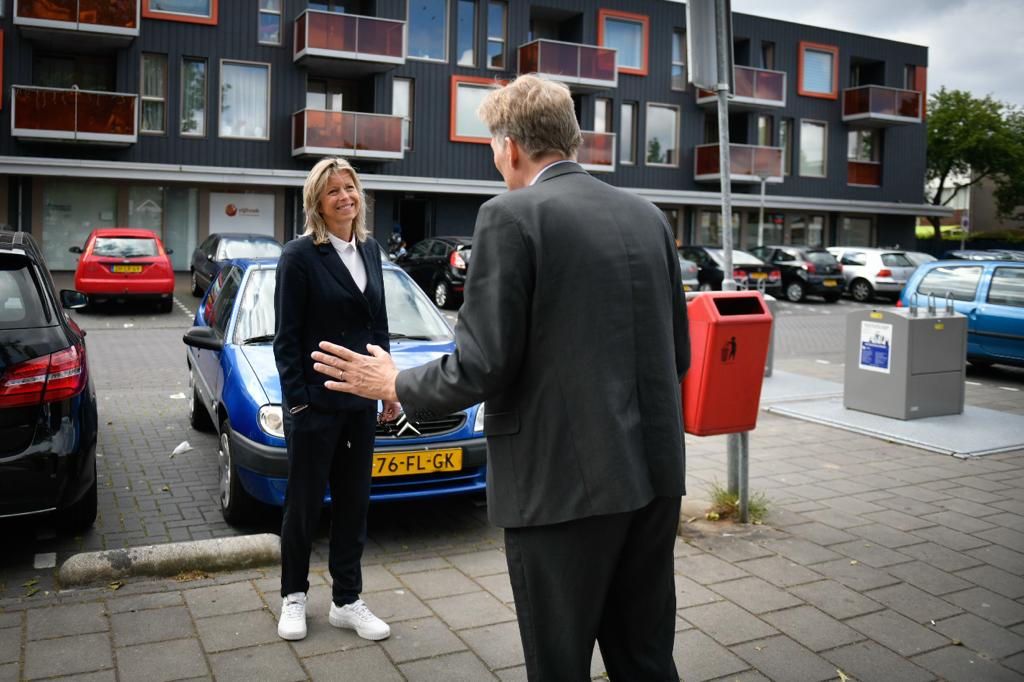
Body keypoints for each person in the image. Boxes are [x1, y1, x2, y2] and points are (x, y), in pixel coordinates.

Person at [310, 75, 689, 679]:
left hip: (562, 493)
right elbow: (677, 356)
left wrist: (393, 383)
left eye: (492, 146)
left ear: (511, 147)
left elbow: (480, 365)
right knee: (645, 658)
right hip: (654, 478)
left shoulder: (510, 217)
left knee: (558, 665)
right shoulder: (647, 217)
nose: (495, 159)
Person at [273, 156, 400, 642]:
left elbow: (378, 324)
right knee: (302, 507)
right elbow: (286, 339)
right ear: (317, 204)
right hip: (315, 405)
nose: (346, 197)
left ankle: (347, 600)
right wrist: (299, 404)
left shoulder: (369, 251)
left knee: (354, 504)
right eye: (334, 191)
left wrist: (388, 385)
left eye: (351, 188)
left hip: (361, 403)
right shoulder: (300, 256)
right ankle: (293, 597)